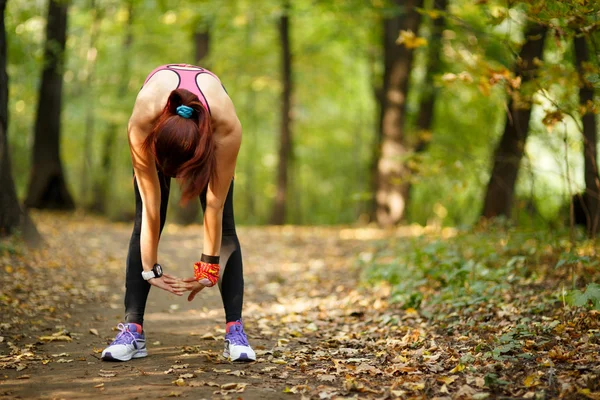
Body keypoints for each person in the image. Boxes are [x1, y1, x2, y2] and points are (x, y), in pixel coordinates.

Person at [101, 64, 255, 363]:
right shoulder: (142, 123)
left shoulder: (226, 128)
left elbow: (214, 206)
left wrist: (207, 272)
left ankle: (235, 331)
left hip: (208, 134)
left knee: (225, 228)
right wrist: (149, 268)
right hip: (159, 132)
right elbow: (151, 209)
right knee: (144, 219)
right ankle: (132, 330)